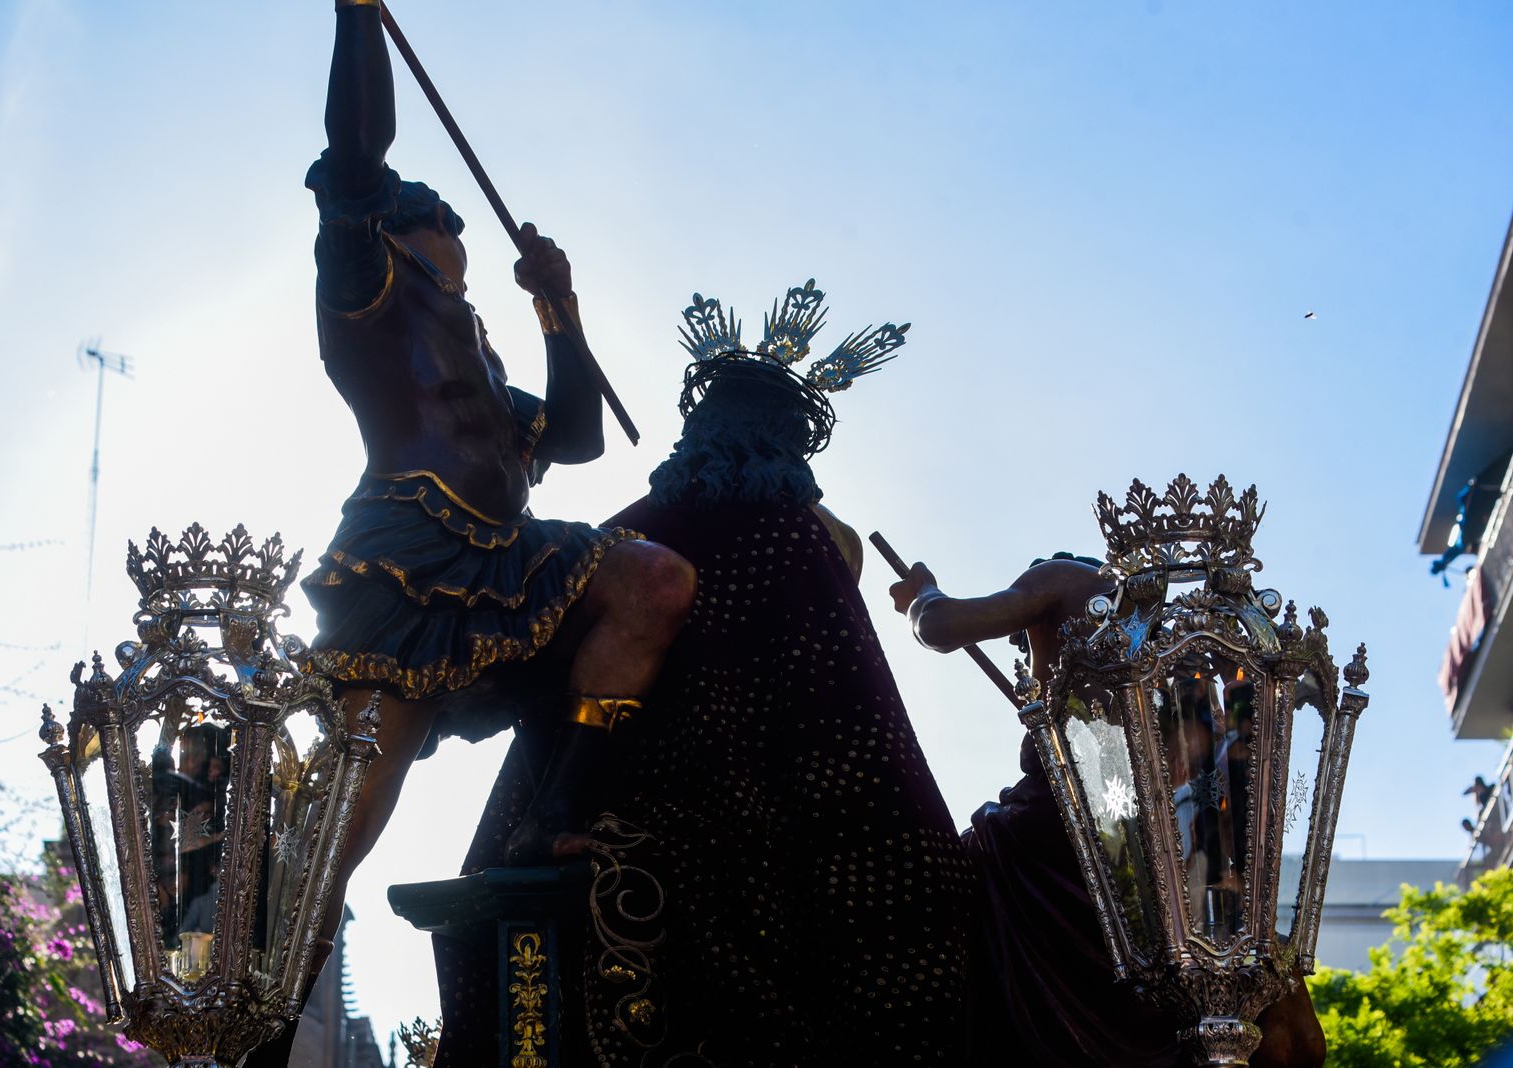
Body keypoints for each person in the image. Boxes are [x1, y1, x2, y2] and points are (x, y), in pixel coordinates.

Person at [248, 3, 697, 1064]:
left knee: (654, 583)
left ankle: (565, 813)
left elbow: (580, 438)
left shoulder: (489, 365)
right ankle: (255, 1027)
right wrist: (359, 16)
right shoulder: (366, 285)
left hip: (517, 554)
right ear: (403, 237)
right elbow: (356, 152)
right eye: (438, 235)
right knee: (343, 830)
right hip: (407, 558)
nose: (455, 251)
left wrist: (560, 308)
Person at [440, 284, 973, 1064]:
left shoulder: (625, 532)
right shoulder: (796, 544)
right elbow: (853, 730)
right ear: (788, 445)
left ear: (697, 434)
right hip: (746, 865)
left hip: (579, 831)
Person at [888, 556, 1327, 1067]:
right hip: (1140, 846)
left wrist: (923, 594)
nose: (1034, 656)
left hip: (1054, 830)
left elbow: (940, 627)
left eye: (1030, 642)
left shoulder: (1061, 581)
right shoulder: (1159, 621)